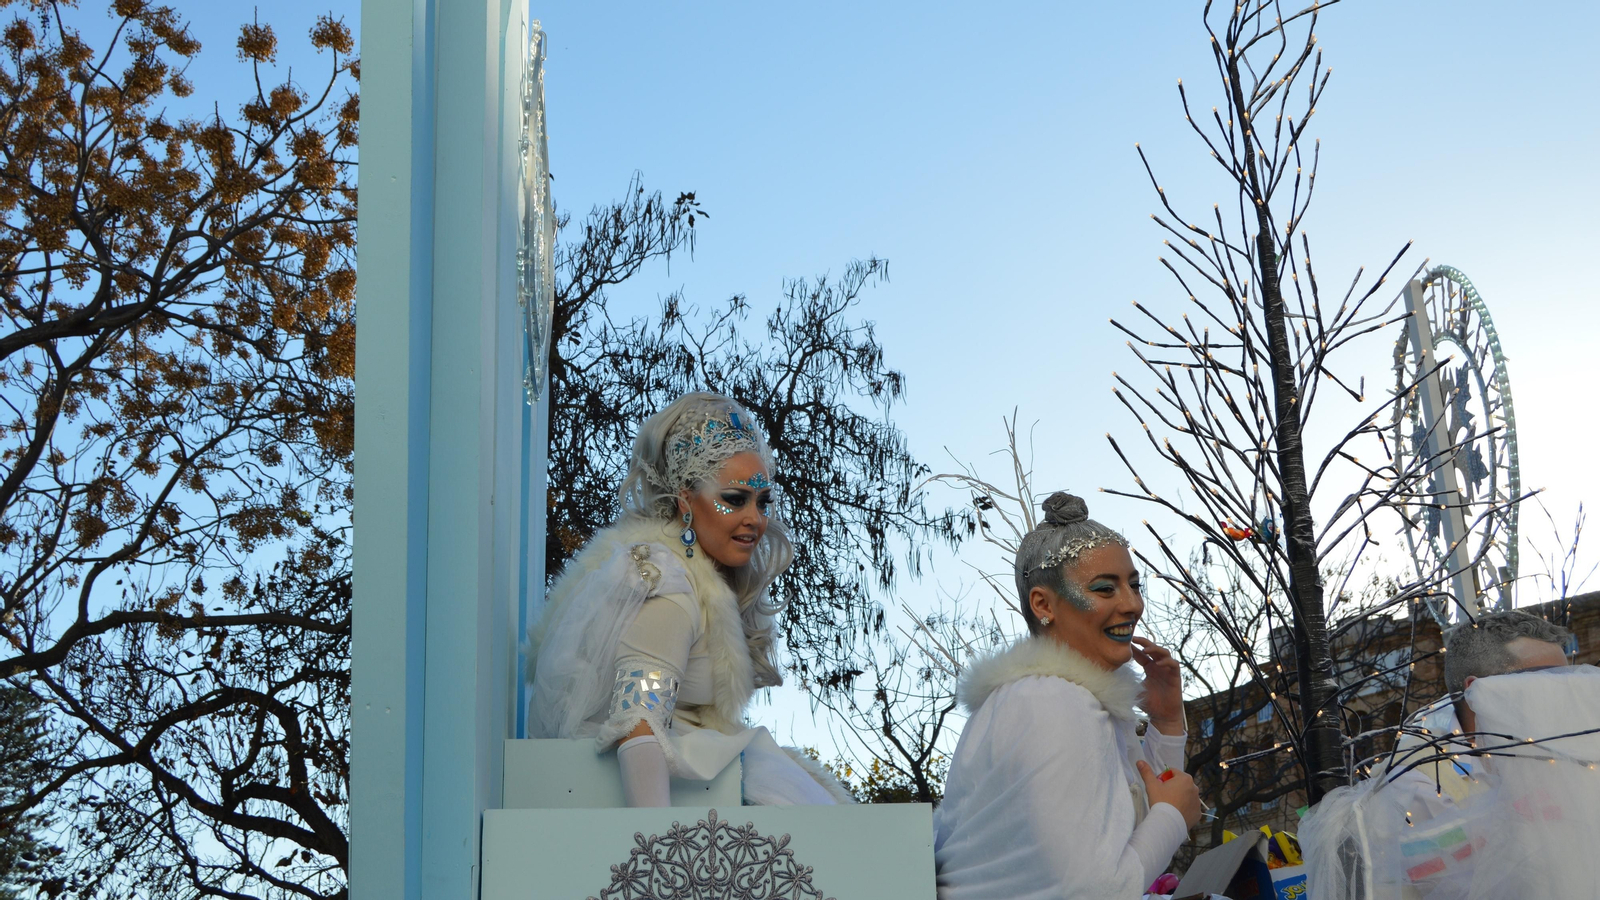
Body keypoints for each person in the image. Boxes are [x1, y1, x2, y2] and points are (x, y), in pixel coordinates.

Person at [526, 392, 852, 807]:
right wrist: (657, 855)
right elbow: (638, 723)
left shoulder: (699, 583)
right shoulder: (666, 588)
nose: (755, 518)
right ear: (684, 501)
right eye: (734, 499)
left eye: (762, 501)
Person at [933, 492, 1202, 900]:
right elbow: (1088, 889)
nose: (1132, 605)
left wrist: (1165, 722)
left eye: (1133, 585)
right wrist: (1171, 818)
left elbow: (1127, 827)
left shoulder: (1054, 698)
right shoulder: (1054, 703)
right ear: (1043, 604)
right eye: (1104, 589)